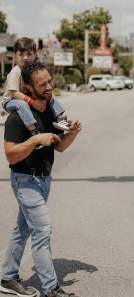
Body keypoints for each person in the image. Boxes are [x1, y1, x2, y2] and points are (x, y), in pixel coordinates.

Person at [0, 61, 81, 297]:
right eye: (41, 84)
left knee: (22, 229)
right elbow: (11, 155)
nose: (48, 87)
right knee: (42, 231)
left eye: (49, 81)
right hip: (25, 180)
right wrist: (35, 140)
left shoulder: (51, 111)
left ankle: (7, 276)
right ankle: (50, 289)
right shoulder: (18, 117)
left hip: (44, 180)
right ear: (28, 88)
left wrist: (73, 132)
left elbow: (61, 147)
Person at [1, 37, 69, 136]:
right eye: (21, 55)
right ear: (15, 56)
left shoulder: (32, 71)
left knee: (49, 96)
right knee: (21, 104)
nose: (25, 58)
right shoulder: (15, 72)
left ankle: (61, 119)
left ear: (35, 55)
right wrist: (31, 102)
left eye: (29, 54)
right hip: (10, 100)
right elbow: (14, 93)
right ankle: (33, 130)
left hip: (24, 96)